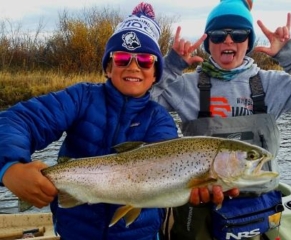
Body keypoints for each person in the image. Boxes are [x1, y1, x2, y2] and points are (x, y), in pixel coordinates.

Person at [0, 3, 180, 240]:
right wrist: (9, 166)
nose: (133, 66)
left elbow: (167, 172)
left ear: (155, 73)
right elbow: (17, 120)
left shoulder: (161, 120)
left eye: (145, 60)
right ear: (108, 67)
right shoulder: (80, 98)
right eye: (123, 57)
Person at [151, 0, 291, 239]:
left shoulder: (271, 85)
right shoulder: (186, 87)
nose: (228, 41)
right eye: (218, 35)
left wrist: (290, 57)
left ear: (249, 41)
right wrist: (171, 67)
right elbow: (140, 104)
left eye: (239, 34)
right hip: (199, 206)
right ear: (209, 42)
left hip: (253, 209)